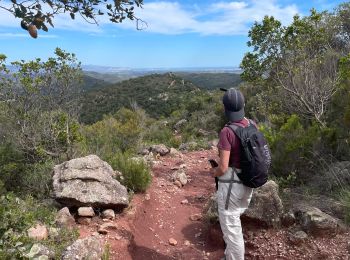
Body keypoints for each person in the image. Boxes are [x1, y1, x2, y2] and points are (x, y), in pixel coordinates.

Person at [210, 88, 254, 260]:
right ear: (243, 105)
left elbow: (223, 167)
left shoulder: (226, 132)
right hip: (249, 180)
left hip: (232, 185)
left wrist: (213, 172)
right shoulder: (252, 124)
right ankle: (230, 256)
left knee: (231, 225)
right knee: (235, 220)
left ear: (225, 109)